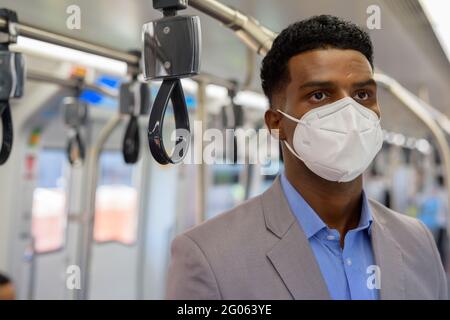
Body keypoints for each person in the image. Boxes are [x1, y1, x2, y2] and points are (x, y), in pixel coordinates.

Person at [166, 15, 447, 300]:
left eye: (362, 94)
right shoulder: (209, 257)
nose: (349, 113)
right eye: (319, 95)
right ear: (276, 123)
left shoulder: (418, 241)